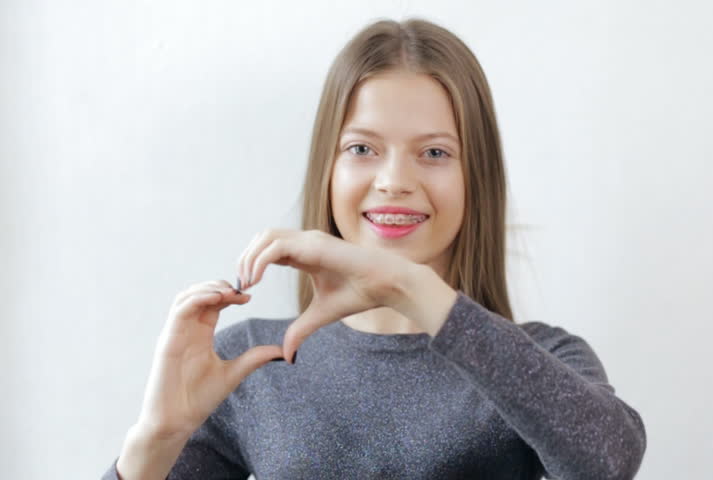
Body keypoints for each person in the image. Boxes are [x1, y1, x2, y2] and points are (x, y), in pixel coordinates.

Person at [102, 17, 647, 480]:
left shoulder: (541, 361)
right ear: (329, 167)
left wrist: (410, 287)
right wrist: (156, 438)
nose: (394, 181)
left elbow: (609, 463)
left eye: (434, 153)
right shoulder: (250, 361)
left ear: (475, 177)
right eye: (362, 149)